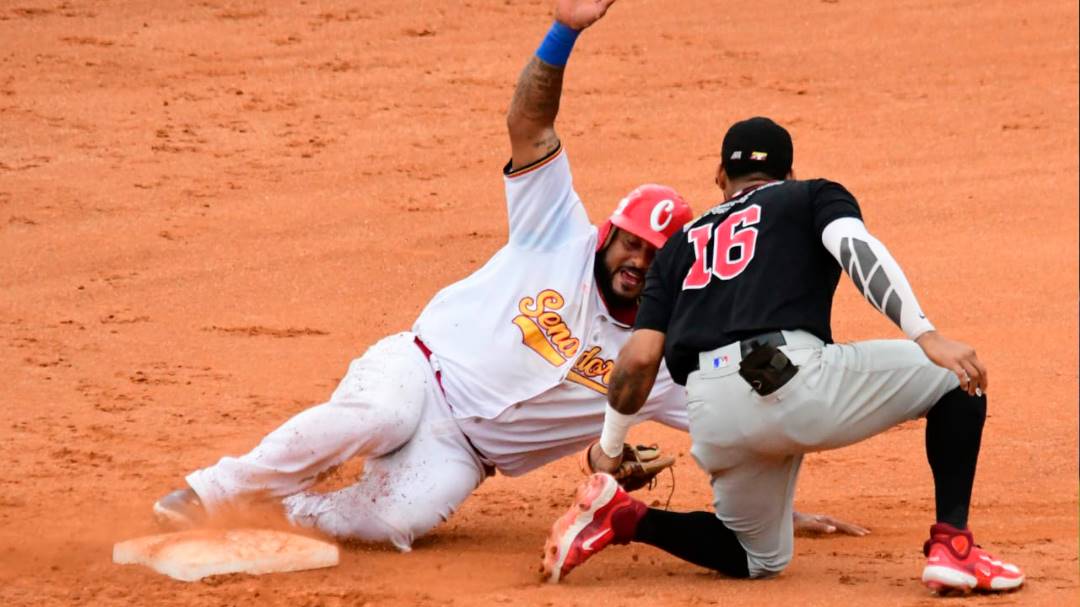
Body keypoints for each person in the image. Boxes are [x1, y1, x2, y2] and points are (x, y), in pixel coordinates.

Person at [152, 1, 858, 551]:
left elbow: (729, 433)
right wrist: (562, 33)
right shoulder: (555, 227)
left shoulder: (662, 355)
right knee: (378, 415)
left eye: (653, 255)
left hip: (464, 452)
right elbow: (529, 122)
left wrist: (776, 509)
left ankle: (286, 506)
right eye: (630, 244)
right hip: (419, 370)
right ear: (608, 233)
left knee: (401, 519)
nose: (637, 261)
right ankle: (213, 489)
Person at [541, 116, 1025, 595]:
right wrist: (926, 336)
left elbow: (639, 358)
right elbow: (857, 250)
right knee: (955, 380)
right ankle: (954, 547)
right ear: (787, 175)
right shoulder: (810, 195)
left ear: (719, 177)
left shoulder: (677, 249)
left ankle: (623, 516)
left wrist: (609, 448)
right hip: (792, 382)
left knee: (757, 555)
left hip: (711, 413)